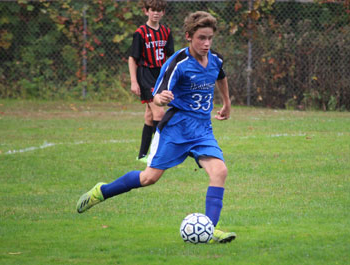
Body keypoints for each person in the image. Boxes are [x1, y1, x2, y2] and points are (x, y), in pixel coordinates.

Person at [77, 11, 236, 244]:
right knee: (149, 178)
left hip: (202, 129)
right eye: (202, 38)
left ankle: (210, 229)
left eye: (210, 38)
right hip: (176, 128)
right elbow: (157, 94)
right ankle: (102, 191)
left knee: (219, 171)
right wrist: (161, 98)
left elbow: (220, 76)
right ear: (189, 36)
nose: (207, 43)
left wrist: (227, 102)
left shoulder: (215, 59)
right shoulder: (178, 63)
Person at [128, 0, 174, 163]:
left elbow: (171, 57)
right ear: (146, 11)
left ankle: (142, 155)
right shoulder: (140, 33)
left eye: (159, 10)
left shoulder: (166, 32)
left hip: (160, 75)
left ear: (163, 13)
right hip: (145, 74)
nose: (156, 13)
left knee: (150, 116)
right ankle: (158, 153)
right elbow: (132, 59)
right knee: (159, 113)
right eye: (153, 10)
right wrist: (134, 81)